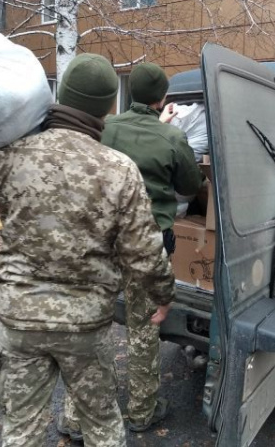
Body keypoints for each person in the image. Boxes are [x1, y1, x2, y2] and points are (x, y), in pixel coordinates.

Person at [0, 53, 176, 447]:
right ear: (106, 107)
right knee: (102, 426)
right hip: (85, 324)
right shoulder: (117, 168)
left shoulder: (11, 153)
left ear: (62, 95)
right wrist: (163, 295)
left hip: (20, 320)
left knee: (21, 431)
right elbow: (144, 250)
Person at [59, 62, 203, 439]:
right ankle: (142, 410)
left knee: (90, 327)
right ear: (162, 99)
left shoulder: (104, 128)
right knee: (143, 327)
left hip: (98, 241)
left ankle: (76, 419)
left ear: (128, 93)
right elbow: (190, 183)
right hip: (148, 242)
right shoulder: (170, 136)